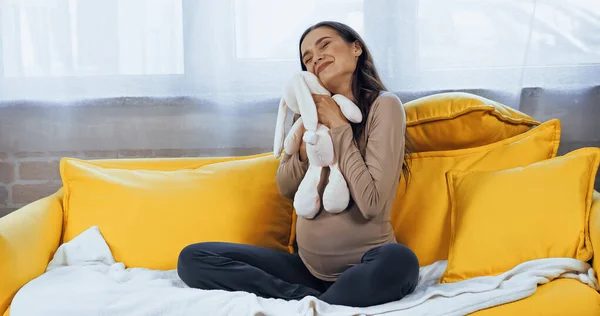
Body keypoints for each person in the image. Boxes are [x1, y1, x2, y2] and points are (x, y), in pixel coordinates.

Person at [177, 21, 419, 307]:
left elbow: (372, 203)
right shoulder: (306, 116)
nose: (314, 57)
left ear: (356, 48)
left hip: (366, 265)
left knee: (401, 261)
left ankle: (321, 303)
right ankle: (310, 302)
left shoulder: (384, 106)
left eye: (324, 44)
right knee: (193, 258)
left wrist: (339, 126)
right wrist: (308, 141)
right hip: (305, 271)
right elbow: (286, 186)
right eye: (306, 57)